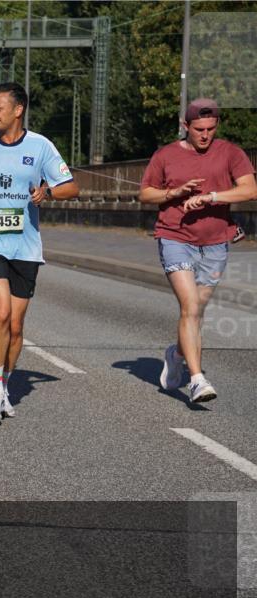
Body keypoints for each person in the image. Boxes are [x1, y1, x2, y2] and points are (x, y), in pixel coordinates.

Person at [0, 82, 79, 423]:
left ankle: (4, 387)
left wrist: (48, 193)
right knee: (1, 313)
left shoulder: (40, 146)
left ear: (17, 110)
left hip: (25, 244)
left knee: (17, 326)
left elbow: (72, 187)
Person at [139, 98, 257, 403]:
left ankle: (176, 353)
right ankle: (197, 379)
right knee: (190, 307)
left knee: (197, 311)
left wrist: (210, 198)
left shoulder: (231, 152)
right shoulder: (165, 155)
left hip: (216, 242)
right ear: (185, 126)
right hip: (175, 237)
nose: (205, 135)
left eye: (211, 129)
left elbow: (250, 189)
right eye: (199, 129)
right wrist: (174, 193)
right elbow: (145, 193)